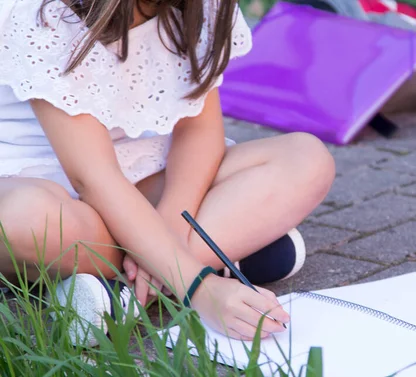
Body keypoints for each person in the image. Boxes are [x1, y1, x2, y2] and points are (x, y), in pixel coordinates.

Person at [0, 0, 335, 345]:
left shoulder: (202, 6)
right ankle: (216, 256)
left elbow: (199, 131)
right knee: (20, 219)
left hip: (136, 170)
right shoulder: (41, 12)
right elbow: (92, 176)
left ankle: (121, 291)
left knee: (306, 159)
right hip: (42, 179)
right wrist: (199, 288)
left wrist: (173, 224)